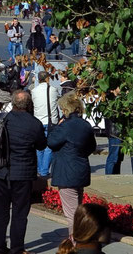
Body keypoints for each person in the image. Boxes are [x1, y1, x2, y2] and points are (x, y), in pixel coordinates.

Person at [0, 90, 47, 254]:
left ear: (13, 103)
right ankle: (16, 248)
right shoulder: (34, 123)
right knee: (20, 213)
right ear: (29, 104)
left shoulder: (2, 119)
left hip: (2, 170)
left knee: (0, 212)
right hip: (23, 172)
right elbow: (42, 145)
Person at [48, 92, 97, 237]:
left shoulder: (65, 126)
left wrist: (56, 127)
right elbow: (91, 147)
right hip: (80, 169)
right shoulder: (86, 125)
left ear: (65, 109)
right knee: (77, 209)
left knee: (72, 214)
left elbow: (51, 142)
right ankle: (81, 241)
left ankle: (78, 244)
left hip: (66, 172)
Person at [31, 70, 60, 177]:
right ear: (47, 79)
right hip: (51, 121)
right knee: (49, 147)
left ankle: (40, 169)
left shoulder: (34, 91)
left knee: (39, 147)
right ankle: (44, 171)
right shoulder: (53, 90)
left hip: (38, 121)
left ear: (38, 79)